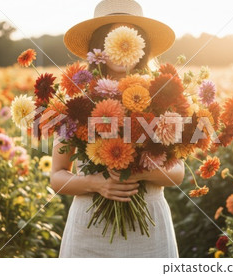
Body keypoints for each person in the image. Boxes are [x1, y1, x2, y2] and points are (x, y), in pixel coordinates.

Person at [51, 0, 184, 257]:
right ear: (99, 45)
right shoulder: (77, 102)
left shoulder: (163, 97)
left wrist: (138, 173)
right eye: (114, 38)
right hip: (89, 233)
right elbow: (57, 177)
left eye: (130, 39)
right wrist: (96, 183)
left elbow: (177, 173)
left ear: (141, 45)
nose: (122, 46)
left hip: (149, 233)